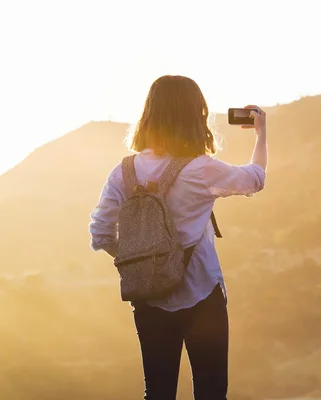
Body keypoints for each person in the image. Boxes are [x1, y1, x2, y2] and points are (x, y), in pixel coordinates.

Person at [88, 75, 268, 400]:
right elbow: (255, 180)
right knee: (211, 392)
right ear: (194, 115)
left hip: (148, 297)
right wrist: (261, 133)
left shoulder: (123, 172)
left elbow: (100, 232)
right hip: (202, 295)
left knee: (157, 393)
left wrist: (139, 256)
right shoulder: (201, 169)